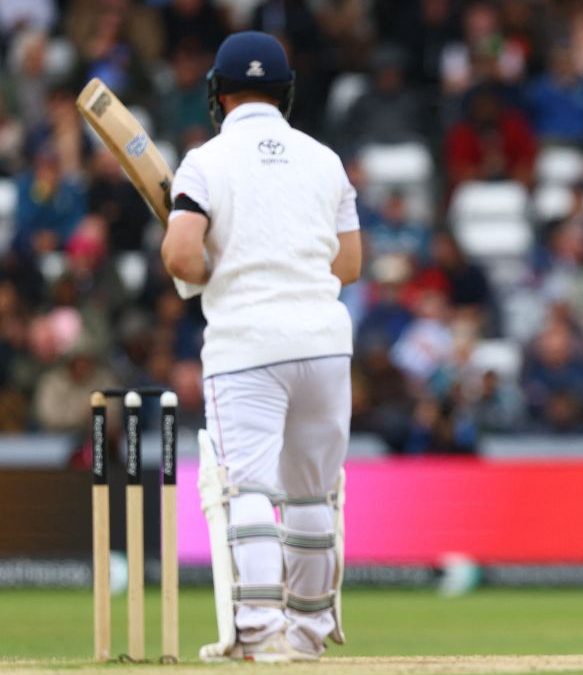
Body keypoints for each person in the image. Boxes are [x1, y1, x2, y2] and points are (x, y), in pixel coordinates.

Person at [160, 32, 362, 662]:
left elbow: (181, 254)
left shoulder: (203, 162)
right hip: (325, 343)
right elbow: (349, 264)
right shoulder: (324, 159)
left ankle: (257, 628)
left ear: (218, 95)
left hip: (248, 343)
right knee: (311, 492)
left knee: (247, 488)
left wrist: (208, 269)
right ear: (287, 94)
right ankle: (306, 635)